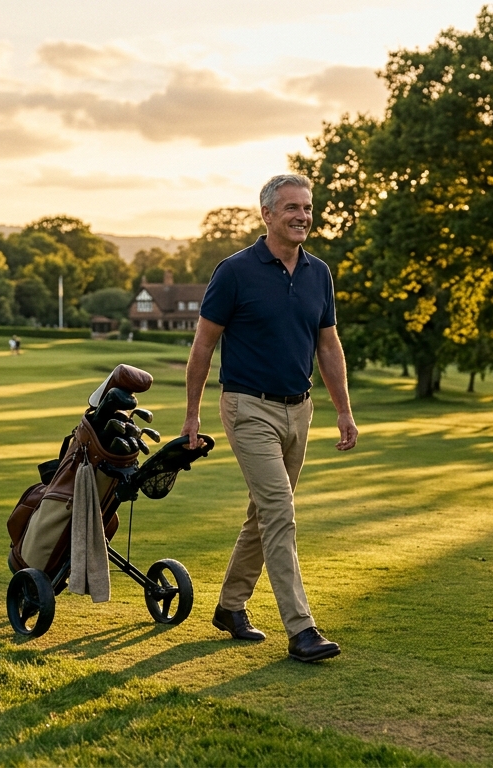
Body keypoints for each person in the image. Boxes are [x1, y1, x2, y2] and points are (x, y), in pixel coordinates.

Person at [182, 173, 358, 663]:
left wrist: (343, 410)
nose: (303, 215)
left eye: (307, 207)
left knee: (264, 515)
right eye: (291, 208)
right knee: (281, 512)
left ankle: (229, 607)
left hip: (299, 409)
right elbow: (203, 346)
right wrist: (192, 416)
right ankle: (301, 630)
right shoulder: (234, 272)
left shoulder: (318, 273)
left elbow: (328, 345)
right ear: (267, 215)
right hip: (247, 408)